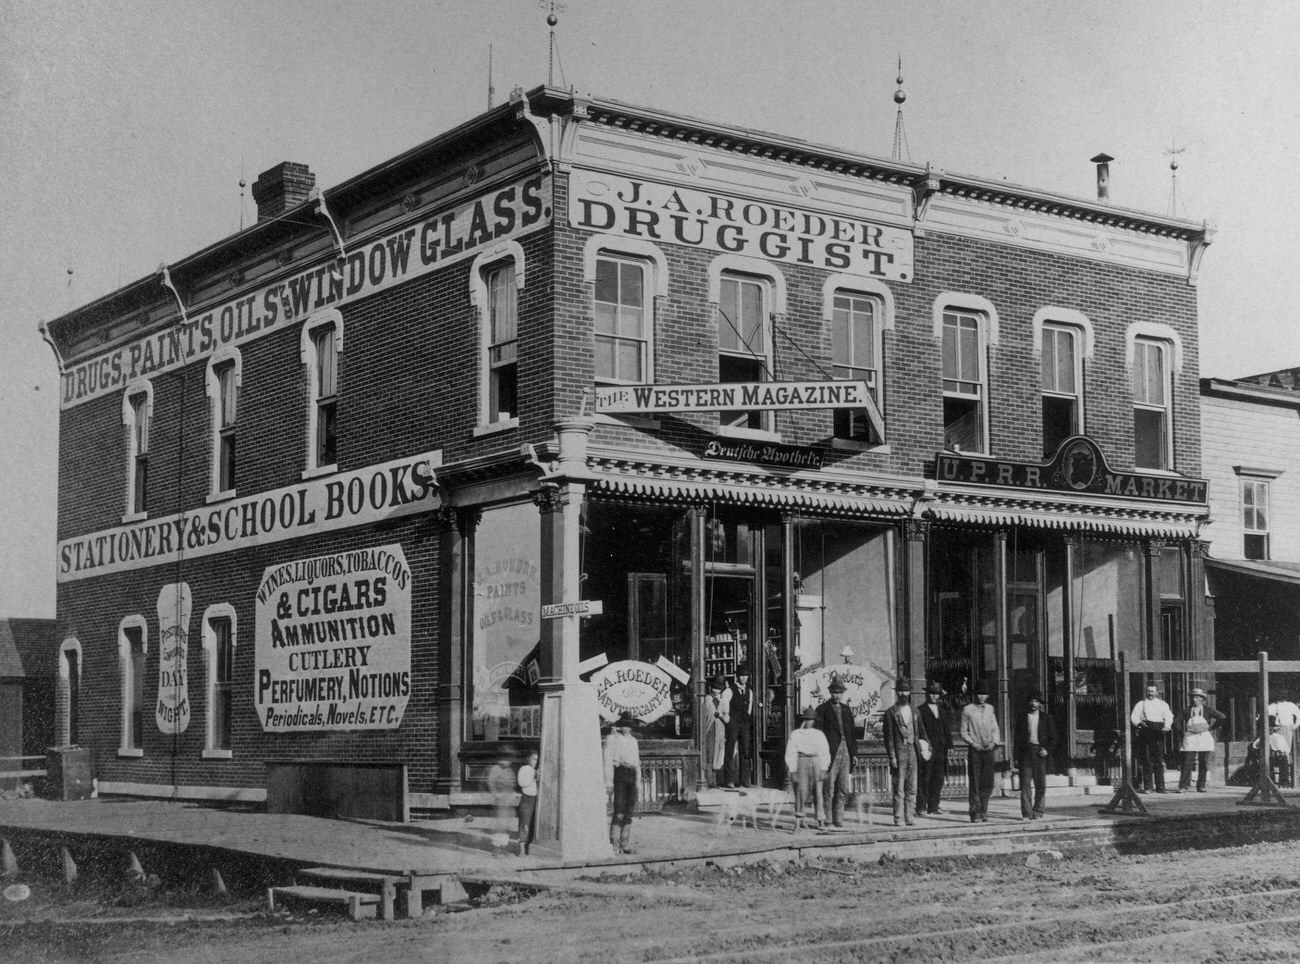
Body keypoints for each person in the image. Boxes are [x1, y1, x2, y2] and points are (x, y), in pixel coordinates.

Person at [814, 677, 858, 828]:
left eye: (839, 693)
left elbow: (852, 733)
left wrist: (854, 753)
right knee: (828, 787)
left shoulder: (846, 710)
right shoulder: (822, 710)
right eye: (834, 692)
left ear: (843, 694)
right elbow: (818, 735)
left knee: (842, 787)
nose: (837, 696)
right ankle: (827, 818)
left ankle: (838, 818)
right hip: (830, 752)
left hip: (846, 751)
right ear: (830, 692)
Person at [960, 678, 1001, 823]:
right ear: (974, 694)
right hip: (975, 751)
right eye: (979, 693)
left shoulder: (990, 709)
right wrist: (973, 743)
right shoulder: (968, 710)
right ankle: (974, 812)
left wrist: (994, 742)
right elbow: (963, 732)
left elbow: (995, 728)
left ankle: (984, 810)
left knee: (987, 782)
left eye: (984, 694)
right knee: (975, 783)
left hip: (988, 750)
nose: (981, 696)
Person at [882, 679, 921, 827]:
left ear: (909, 692)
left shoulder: (915, 711)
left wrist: (924, 747)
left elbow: (920, 732)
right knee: (899, 787)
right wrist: (892, 755)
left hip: (912, 751)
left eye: (906, 691)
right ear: (897, 693)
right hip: (899, 752)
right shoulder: (890, 712)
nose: (903, 693)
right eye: (900, 691)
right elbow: (889, 737)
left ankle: (909, 816)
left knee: (912, 786)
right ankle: (898, 818)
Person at [783, 708, 830, 830]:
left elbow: (825, 751)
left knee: (818, 791)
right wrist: (792, 769)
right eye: (807, 719)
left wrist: (824, 768)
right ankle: (798, 822)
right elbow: (790, 752)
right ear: (803, 720)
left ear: (814, 721)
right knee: (801, 791)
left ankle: (821, 821)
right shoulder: (796, 734)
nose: (809, 722)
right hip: (801, 761)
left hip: (816, 761)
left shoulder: (819, 734)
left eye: (811, 720)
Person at [1013, 689, 1056, 820]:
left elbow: (1053, 737)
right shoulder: (1022, 717)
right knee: (1025, 784)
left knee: (1040, 784)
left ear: (1040, 704)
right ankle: (1027, 812)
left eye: (1036, 701)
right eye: (1031, 701)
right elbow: (1017, 739)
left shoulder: (1046, 718)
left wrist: (1047, 750)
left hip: (1040, 753)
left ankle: (1038, 811)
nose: (1033, 703)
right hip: (1026, 753)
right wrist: (1016, 757)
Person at [603, 713, 641, 854]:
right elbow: (607, 761)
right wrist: (608, 782)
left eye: (629, 726)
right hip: (620, 773)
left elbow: (637, 763)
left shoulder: (634, 741)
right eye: (624, 725)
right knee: (619, 809)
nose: (626, 728)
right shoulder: (613, 739)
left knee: (629, 810)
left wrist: (638, 783)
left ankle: (625, 843)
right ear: (620, 725)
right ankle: (614, 843)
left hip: (632, 773)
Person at [1175, 687, 1225, 793]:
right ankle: (1183, 786)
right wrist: (1181, 733)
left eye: (1197, 697)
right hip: (1190, 737)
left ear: (1202, 699)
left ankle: (1201, 785)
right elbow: (1176, 721)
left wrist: (1212, 728)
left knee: (1204, 762)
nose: (1194, 699)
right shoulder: (1187, 710)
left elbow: (1222, 717)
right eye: (1192, 697)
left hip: (1204, 736)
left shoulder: (1207, 710)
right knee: (1187, 762)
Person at [916, 680, 952, 816]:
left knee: (938, 778)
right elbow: (919, 730)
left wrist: (950, 745)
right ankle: (921, 806)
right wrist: (923, 745)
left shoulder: (942, 711)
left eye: (936, 694)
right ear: (927, 694)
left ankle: (933, 806)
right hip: (927, 749)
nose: (934, 696)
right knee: (925, 777)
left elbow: (946, 729)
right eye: (931, 693)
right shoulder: (921, 710)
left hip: (940, 750)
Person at [1130, 683, 1174, 793]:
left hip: (1158, 731)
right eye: (1148, 691)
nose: (1150, 693)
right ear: (1146, 692)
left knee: (1159, 760)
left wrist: (1167, 726)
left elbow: (1169, 716)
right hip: (1146, 731)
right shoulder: (1141, 704)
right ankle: (1148, 787)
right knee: (1147, 759)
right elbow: (1134, 717)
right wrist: (1139, 724)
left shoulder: (1162, 704)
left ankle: (1161, 787)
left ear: (1157, 693)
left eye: (1152, 691)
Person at [725, 667, 758, 788]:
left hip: (744, 723)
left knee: (745, 750)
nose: (744, 678)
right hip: (733, 722)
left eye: (746, 676)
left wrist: (746, 718)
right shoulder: (729, 690)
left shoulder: (750, 691)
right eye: (741, 676)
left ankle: (745, 780)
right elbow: (724, 707)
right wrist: (729, 720)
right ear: (737, 677)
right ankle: (729, 780)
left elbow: (749, 707)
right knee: (730, 749)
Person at [701, 675, 730, 788]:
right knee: (709, 755)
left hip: (719, 732)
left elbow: (727, 719)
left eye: (718, 689)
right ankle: (708, 781)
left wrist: (721, 715)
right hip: (709, 730)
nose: (716, 690)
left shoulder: (723, 701)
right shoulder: (706, 699)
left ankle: (714, 781)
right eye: (714, 688)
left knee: (717, 756)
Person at [485, 755, 516, 852]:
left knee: (506, 825)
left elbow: (512, 783)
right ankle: (496, 848)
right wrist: (496, 794)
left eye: (508, 760)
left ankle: (503, 847)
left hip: (508, 801)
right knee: (499, 825)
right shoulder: (496, 769)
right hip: (500, 801)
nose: (507, 762)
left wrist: (512, 793)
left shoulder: (509, 770)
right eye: (505, 759)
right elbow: (490, 782)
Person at [516, 749, 539, 855]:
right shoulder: (524, 769)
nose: (535, 761)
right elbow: (521, 783)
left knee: (533, 823)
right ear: (528, 758)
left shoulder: (536, 770)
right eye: (533, 759)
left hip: (535, 798)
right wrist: (534, 778)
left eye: (537, 760)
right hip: (527, 798)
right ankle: (522, 848)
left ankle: (528, 846)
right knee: (525, 823)